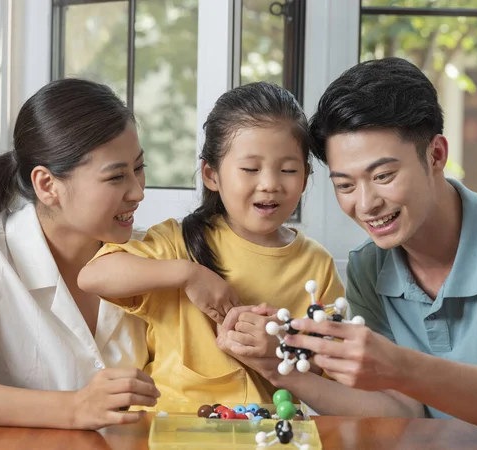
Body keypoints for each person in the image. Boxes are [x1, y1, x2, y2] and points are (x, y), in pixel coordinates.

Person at [277, 57, 477, 434]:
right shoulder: (369, 267)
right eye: (345, 185)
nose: (365, 204)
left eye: (383, 175)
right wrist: (279, 366)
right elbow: (400, 411)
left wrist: (399, 365)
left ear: (436, 155)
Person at [78, 82, 345, 406]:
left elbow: (327, 371)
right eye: (250, 169)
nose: (270, 184)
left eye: (288, 170)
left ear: (305, 177)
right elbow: (93, 276)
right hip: (175, 432)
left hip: (268, 436)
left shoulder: (316, 264)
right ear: (211, 174)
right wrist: (190, 275)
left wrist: (281, 349)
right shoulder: (178, 242)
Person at [0, 78, 160, 429]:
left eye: (139, 168)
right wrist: (74, 408)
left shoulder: (154, 254)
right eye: (116, 177)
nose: (137, 192)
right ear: (47, 185)